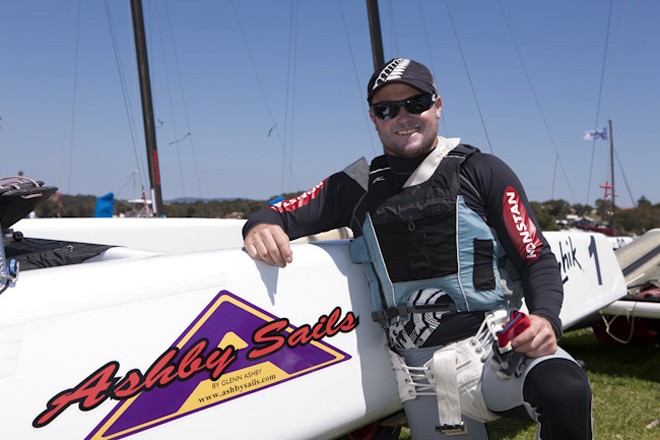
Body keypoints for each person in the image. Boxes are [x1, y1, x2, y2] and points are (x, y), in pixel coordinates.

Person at [242, 58, 592, 439]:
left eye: (416, 103)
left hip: (495, 353)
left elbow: (535, 256)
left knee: (565, 389)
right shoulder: (354, 186)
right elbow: (278, 213)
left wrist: (545, 318)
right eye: (387, 109)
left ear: (438, 106)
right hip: (420, 376)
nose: (403, 116)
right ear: (374, 119)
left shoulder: (483, 171)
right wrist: (260, 226)